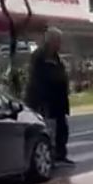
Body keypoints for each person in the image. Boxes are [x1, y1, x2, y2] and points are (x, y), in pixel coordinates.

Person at [25, 27, 73, 165]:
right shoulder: (39, 56)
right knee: (46, 130)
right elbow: (38, 79)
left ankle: (60, 154)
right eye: (58, 41)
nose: (60, 44)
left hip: (58, 100)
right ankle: (49, 156)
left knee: (62, 128)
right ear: (51, 41)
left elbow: (61, 75)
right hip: (44, 100)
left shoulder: (56, 58)